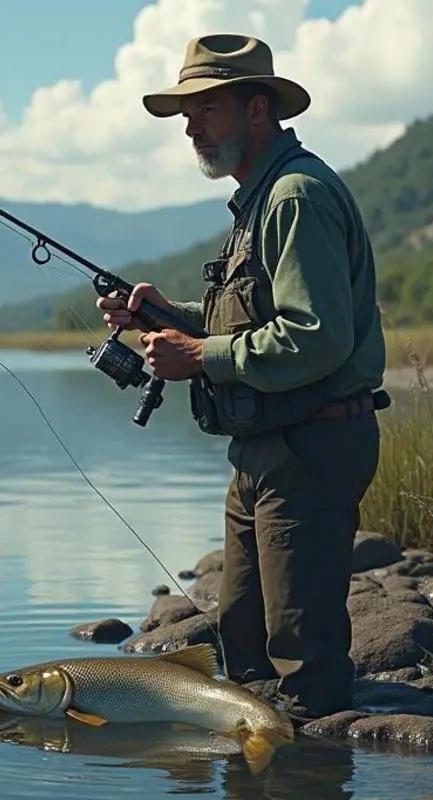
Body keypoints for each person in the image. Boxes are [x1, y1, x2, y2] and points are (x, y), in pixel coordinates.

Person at [97, 33, 388, 722]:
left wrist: (199, 358)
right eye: (185, 113)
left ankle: (315, 765)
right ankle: (264, 768)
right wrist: (164, 316)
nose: (190, 126)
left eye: (205, 109)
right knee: (243, 640)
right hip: (265, 448)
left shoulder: (294, 198)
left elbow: (316, 337)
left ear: (257, 111)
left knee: (301, 655)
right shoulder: (258, 199)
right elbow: (252, 316)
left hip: (311, 447)